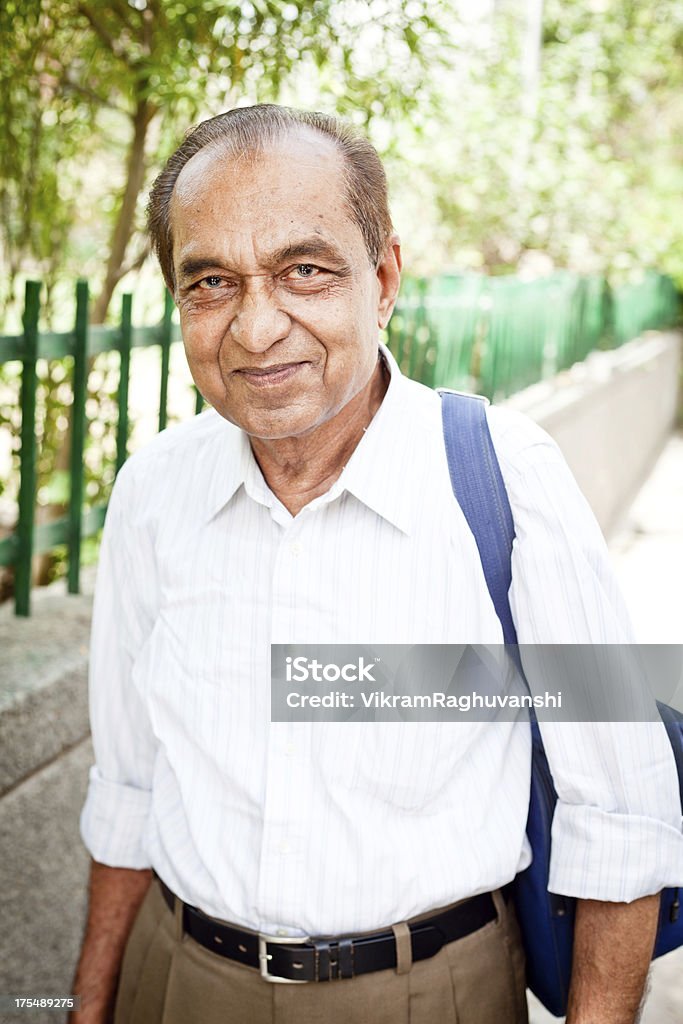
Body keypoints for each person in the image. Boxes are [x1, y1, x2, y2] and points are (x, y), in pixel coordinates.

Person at [70, 104, 683, 1024]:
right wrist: (90, 1006)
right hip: (179, 981)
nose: (255, 327)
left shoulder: (507, 477)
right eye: (210, 283)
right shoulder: (153, 492)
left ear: (384, 276)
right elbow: (126, 789)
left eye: (304, 270)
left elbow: (624, 815)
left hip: (428, 995)